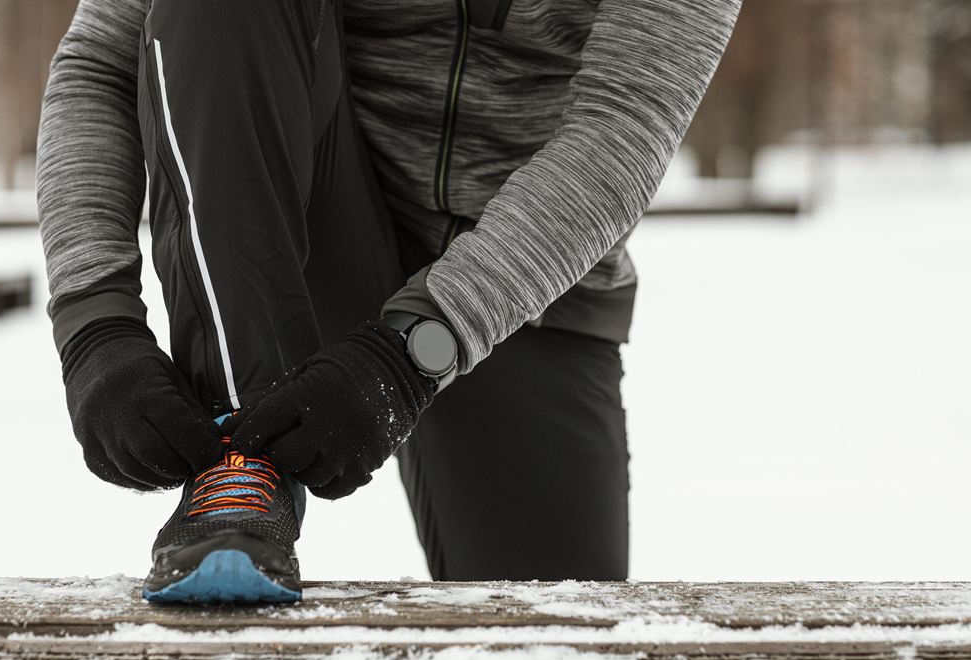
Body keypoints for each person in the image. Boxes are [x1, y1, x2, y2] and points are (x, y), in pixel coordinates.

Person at [37, 0, 741, 603]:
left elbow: (625, 123)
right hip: (308, 233)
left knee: (556, 626)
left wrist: (415, 349)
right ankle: (237, 464)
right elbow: (103, 58)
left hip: (532, 273)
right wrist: (93, 319)